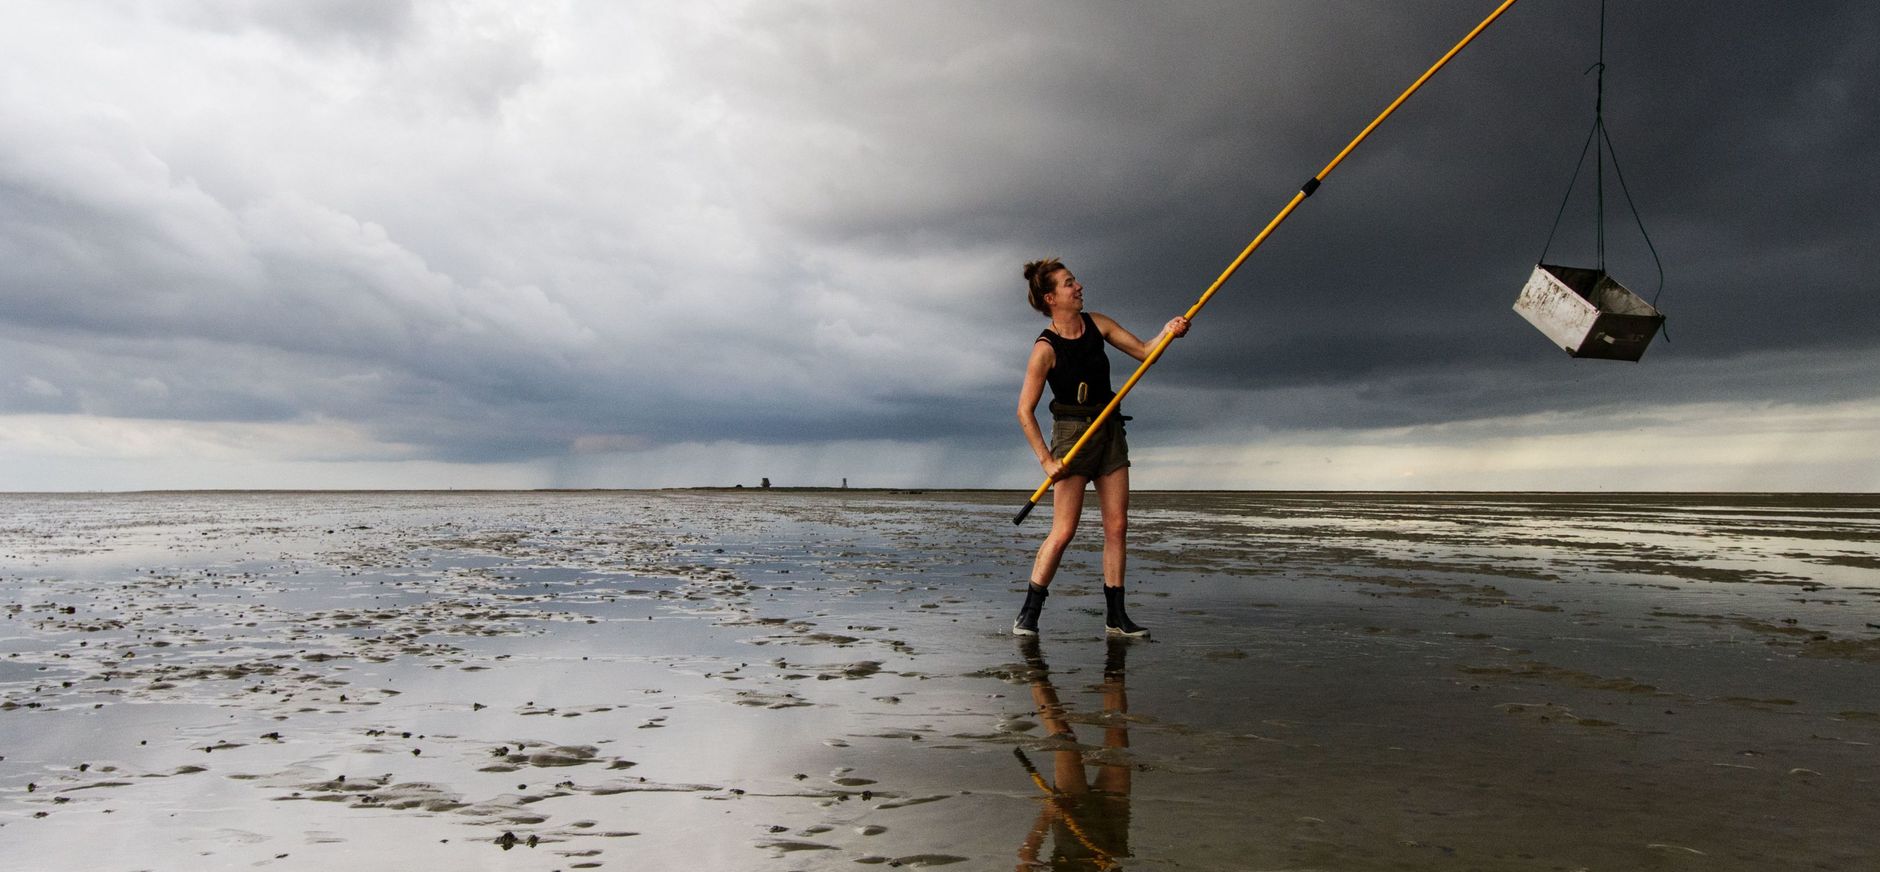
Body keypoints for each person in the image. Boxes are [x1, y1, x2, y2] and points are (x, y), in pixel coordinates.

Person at [1014, 258, 1188, 637]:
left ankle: (1116, 617)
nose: (1078, 287)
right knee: (1064, 531)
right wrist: (1046, 460)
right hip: (1072, 437)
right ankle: (1028, 615)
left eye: (1075, 281)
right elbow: (1024, 411)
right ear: (1051, 298)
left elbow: (1145, 351)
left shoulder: (1098, 323)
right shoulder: (1045, 348)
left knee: (1118, 527)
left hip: (1109, 431)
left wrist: (1168, 332)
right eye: (1068, 283)